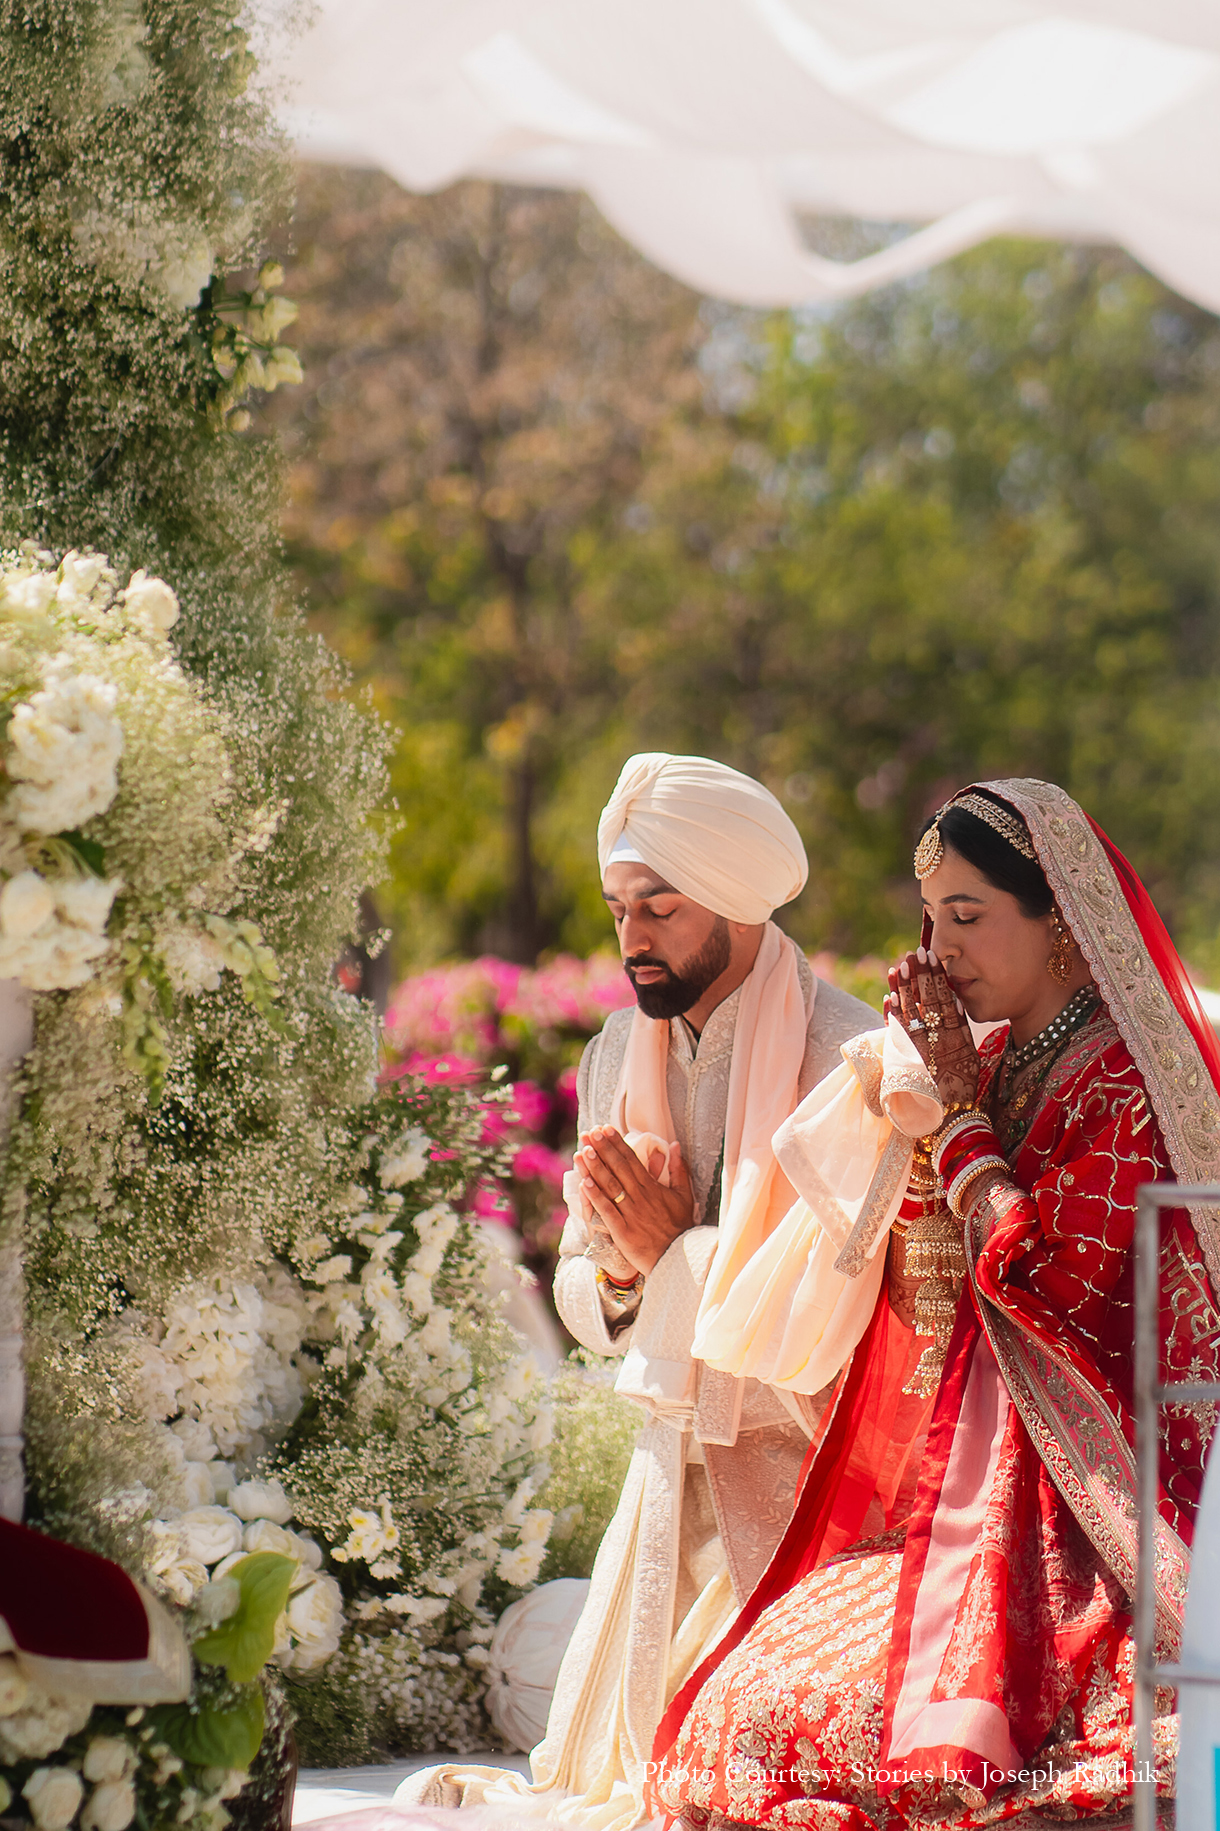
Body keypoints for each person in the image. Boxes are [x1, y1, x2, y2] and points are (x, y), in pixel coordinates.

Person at [649, 777, 1220, 1831]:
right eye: (928, 921)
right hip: (976, 1486)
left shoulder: (1130, 1085)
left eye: (966, 916)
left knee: (912, 1735)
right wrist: (916, 1105)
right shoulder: (989, 1057)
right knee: (746, 1701)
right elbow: (933, 1306)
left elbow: (1040, 1280)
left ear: (1059, 920)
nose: (940, 946)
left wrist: (957, 1120)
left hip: (1111, 1504)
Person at [404, 752, 875, 1829]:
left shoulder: (846, 1064)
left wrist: (680, 1253)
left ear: (737, 900)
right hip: (665, 1488)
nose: (630, 937)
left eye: (657, 907)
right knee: (591, 1729)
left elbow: (837, 1343)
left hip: (812, 1504)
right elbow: (580, 1292)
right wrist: (625, 1268)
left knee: (745, 1763)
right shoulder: (620, 1052)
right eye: (618, 908)